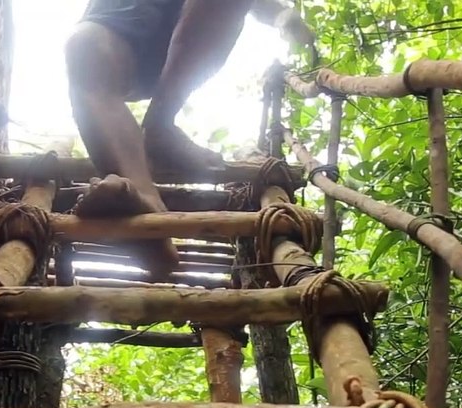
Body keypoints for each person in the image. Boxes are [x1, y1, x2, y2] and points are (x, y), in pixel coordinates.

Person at [65, 0, 315, 280]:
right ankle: (148, 212)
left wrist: (281, 14)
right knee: (83, 46)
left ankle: (160, 125)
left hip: (187, 27)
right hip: (118, 26)